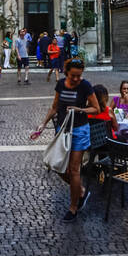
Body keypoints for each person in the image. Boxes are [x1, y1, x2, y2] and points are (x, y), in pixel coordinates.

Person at [32, 58, 102, 222]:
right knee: (57, 166)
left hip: (79, 131)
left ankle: (73, 207)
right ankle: (81, 192)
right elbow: (55, 106)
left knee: (74, 169)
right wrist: (43, 124)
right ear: (66, 72)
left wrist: (80, 109)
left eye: (79, 75)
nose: (77, 79)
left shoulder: (85, 86)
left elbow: (96, 108)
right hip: (63, 131)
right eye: (73, 76)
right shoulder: (61, 84)